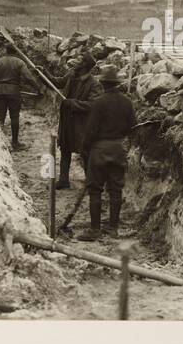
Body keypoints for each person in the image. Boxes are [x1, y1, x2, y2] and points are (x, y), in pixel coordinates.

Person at [78, 65, 136, 241]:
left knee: (95, 190)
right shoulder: (127, 102)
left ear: (103, 83)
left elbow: (90, 130)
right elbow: (133, 127)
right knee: (115, 190)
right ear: (117, 84)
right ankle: (113, 229)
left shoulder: (98, 102)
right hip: (118, 149)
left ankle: (95, 230)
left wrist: (84, 148)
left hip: (99, 150)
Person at [55, 51, 101, 188]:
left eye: (79, 61)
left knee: (85, 151)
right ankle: (64, 180)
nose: (75, 62)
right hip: (67, 121)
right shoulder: (71, 76)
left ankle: (90, 180)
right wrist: (42, 73)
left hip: (81, 124)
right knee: (65, 149)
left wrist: (73, 103)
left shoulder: (94, 84)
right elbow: (58, 82)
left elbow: (94, 105)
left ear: (85, 66)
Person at [0, 47, 37, 149]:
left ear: (6, 51)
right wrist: (38, 89)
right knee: (14, 117)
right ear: (16, 52)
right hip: (13, 92)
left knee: (0, 118)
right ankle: (15, 143)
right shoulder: (19, 62)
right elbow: (29, 78)